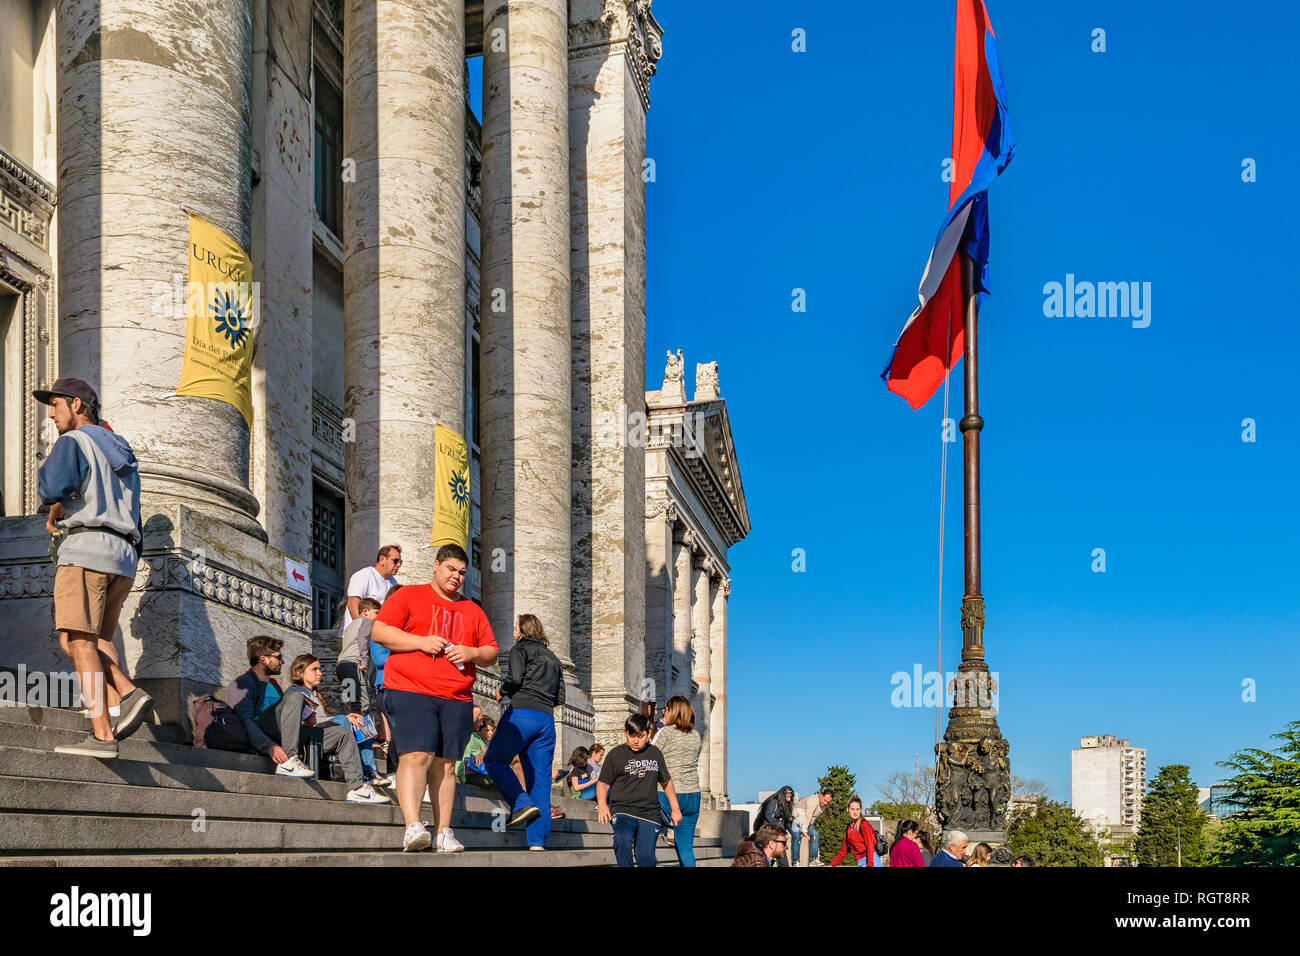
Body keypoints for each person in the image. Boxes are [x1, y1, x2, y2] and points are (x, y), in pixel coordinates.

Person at [35, 378, 150, 759]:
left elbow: (52, 486)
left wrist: (54, 508)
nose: (51, 414)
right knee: (88, 640)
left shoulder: (73, 441)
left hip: (86, 550)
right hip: (123, 555)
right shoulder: (120, 449)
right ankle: (119, 703)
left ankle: (104, 732)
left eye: (55, 405)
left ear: (77, 406)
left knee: (79, 641)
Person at [371, 543, 498, 853]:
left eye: (462, 573)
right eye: (450, 569)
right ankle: (413, 825)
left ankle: (443, 831)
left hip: (456, 696)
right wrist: (420, 641)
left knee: (446, 765)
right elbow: (380, 632)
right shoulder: (408, 595)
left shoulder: (472, 609)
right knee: (416, 755)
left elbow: (492, 652)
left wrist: (471, 652)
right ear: (436, 566)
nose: (456, 577)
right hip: (410, 689)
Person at [224, 636, 388, 804]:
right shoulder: (243, 683)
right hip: (264, 735)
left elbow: (287, 720)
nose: (282, 661)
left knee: (342, 733)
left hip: (288, 734)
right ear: (263, 659)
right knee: (296, 696)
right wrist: (269, 746)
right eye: (278, 657)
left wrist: (304, 719)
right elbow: (246, 721)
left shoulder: (273, 684)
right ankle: (289, 759)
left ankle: (357, 788)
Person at [483, 614, 565, 850]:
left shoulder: (521, 649)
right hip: (546, 720)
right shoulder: (554, 659)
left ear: (523, 630)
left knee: (495, 759)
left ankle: (520, 803)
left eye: (515, 628)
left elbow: (515, 677)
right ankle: (537, 842)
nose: (513, 633)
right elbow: (561, 697)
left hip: (522, 714)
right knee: (540, 781)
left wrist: (502, 690)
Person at [285, 654, 392, 795]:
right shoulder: (294, 692)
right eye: (314, 669)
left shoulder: (317, 694)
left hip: (324, 729)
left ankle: (370, 770)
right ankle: (362, 771)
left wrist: (348, 717)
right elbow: (293, 723)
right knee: (343, 719)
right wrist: (342, 718)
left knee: (361, 720)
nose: (320, 673)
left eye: (320, 669)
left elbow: (324, 719)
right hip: (308, 734)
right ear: (299, 672)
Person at [596, 713, 682, 867]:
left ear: (648, 734)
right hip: (622, 810)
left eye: (641, 736)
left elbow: (666, 782)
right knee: (622, 840)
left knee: (645, 856)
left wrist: (675, 808)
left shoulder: (655, 753)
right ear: (625, 733)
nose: (636, 741)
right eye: (632, 735)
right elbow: (603, 783)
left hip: (650, 813)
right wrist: (602, 804)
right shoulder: (615, 755)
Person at [650, 695, 703, 867]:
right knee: (686, 847)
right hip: (693, 795)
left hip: (668, 793)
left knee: (647, 838)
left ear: (673, 711)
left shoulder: (665, 733)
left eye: (667, 710)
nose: (665, 713)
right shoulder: (696, 735)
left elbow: (650, 757)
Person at [341, 545, 401, 631]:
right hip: (355, 636)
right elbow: (353, 603)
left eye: (400, 562)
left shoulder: (393, 583)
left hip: (377, 636)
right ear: (382, 559)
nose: (398, 565)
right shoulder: (365, 575)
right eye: (395, 561)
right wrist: (362, 632)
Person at [337, 597, 380, 715]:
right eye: (376, 612)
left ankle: (352, 729)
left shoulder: (350, 625)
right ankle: (362, 731)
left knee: (352, 702)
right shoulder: (367, 622)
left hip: (342, 665)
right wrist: (364, 661)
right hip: (353, 665)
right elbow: (363, 640)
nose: (378, 616)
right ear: (365, 611)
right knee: (362, 703)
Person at [829, 795, 877, 867]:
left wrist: (870, 865)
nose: (855, 812)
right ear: (847, 809)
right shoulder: (849, 827)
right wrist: (832, 864)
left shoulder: (864, 825)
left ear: (860, 810)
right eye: (852, 809)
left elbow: (870, 847)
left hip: (871, 861)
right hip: (860, 862)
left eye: (857, 809)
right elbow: (843, 851)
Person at [790, 789, 833, 867]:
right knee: (797, 837)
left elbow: (813, 819)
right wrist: (804, 831)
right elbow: (808, 815)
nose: (825, 803)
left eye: (828, 802)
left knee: (815, 834)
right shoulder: (813, 800)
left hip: (806, 822)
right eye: (825, 800)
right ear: (821, 796)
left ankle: (813, 860)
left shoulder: (823, 807)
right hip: (796, 818)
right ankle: (795, 861)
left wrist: (807, 829)